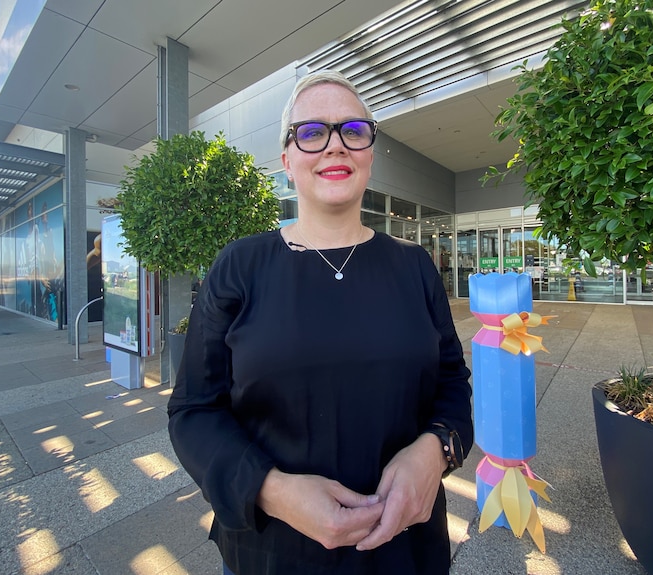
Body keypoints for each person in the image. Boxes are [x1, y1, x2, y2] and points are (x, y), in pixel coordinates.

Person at [167, 70, 474, 575]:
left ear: (370, 155)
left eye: (353, 130)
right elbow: (194, 411)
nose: (336, 146)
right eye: (311, 133)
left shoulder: (414, 264)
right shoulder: (240, 265)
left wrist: (435, 451)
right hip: (273, 554)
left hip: (406, 553)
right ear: (287, 161)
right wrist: (273, 490)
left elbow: (451, 383)